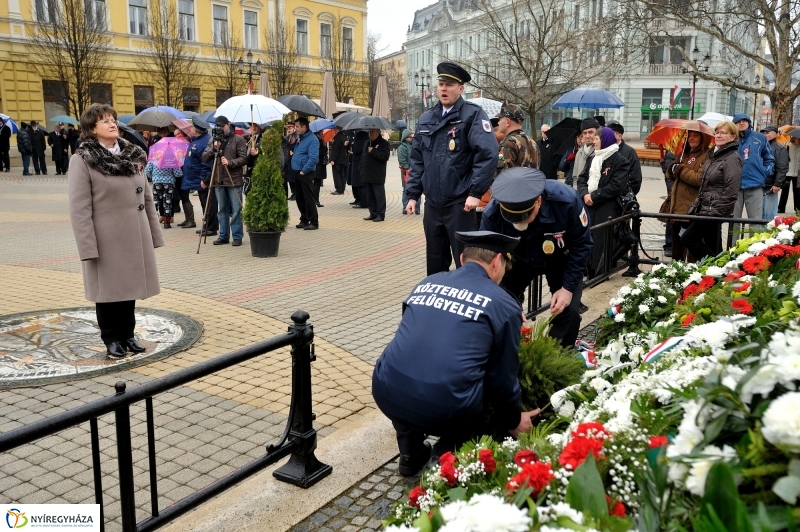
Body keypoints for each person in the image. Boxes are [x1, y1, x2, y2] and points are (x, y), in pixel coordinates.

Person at [372, 230, 540, 475]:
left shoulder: (427, 283)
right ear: (496, 262)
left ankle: (410, 453)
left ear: (462, 259)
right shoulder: (504, 304)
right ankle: (445, 457)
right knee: (477, 382)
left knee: (411, 367)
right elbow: (502, 377)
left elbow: (412, 342)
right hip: (446, 406)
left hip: (385, 391)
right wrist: (513, 420)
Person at [67, 103, 162, 360]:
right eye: (105, 121)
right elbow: (79, 208)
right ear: (91, 128)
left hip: (135, 235)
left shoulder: (133, 156)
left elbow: (148, 197)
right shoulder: (83, 159)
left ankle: (128, 334)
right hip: (106, 238)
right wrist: (87, 246)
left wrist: (154, 233)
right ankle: (111, 337)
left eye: (113, 119)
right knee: (108, 293)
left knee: (128, 288)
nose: (112, 124)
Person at [481, 167, 592, 348]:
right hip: (514, 261)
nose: (519, 223)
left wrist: (567, 288)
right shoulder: (492, 214)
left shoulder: (567, 201)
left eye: (524, 217)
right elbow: (487, 259)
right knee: (498, 310)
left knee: (569, 311)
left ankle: (557, 360)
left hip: (558, 258)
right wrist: (504, 301)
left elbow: (582, 245)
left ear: (538, 201)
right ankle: (512, 356)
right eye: (513, 219)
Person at [405, 62, 498, 274]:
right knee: (435, 264)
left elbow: (487, 154)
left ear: (461, 88)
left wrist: (475, 193)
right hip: (433, 206)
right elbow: (418, 159)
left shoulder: (472, 115)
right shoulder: (427, 118)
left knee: (465, 263)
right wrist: (412, 195)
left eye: (449, 84)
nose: (444, 89)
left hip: (460, 205)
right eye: (441, 84)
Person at [681, 121, 741, 260]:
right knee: (714, 245)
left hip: (713, 210)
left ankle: (715, 268)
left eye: (723, 133)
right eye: (717, 132)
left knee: (688, 238)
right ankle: (717, 274)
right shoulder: (714, 154)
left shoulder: (732, 158)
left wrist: (717, 212)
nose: (719, 135)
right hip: (705, 207)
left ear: (733, 137)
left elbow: (731, 190)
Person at [576, 127, 631, 276]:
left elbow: (616, 186)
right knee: (586, 238)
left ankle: (600, 272)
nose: (593, 141)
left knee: (601, 241)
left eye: (596, 139)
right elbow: (582, 179)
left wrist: (594, 197)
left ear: (605, 140)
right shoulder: (593, 158)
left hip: (606, 208)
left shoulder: (620, 161)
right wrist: (584, 194)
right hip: (588, 206)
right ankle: (587, 269)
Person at [201, 115, 248, 246]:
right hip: (218, 180)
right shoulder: (213, 140)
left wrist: (230, 162)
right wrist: (213, 149)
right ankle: (223, 235)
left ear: (228, 125)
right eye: (218, 126)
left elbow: (244, 158)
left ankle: (237, 236)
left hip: (234, 180)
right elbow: (204, 158)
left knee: (236, 209)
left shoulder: (238, 139)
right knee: (221, 210)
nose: (220, 128)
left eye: (222, 126)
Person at [665, 131, 709, 262]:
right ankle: (676, 274)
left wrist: (680, 169)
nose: (691, 138)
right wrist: (672, 168)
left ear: (703, 138)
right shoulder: (683, 153)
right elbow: (671, 174)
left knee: (691, 249)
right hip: (677, 208)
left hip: (691, 208)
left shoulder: (707, 155)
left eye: (695, 135)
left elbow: (698, 179)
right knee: (676, 249)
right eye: (689, 135)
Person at [731, 113, 774, 228]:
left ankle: (754, 246)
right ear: (733, 124)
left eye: (744, 120)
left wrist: (764, 173)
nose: (741, 123)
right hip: (734, 186)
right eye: (738, 121)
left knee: (755, 223)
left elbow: (769, 159)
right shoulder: (731, 138)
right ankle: (732, 246)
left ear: (749, 123)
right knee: (733, 223)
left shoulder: (759, 138)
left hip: (755, 185)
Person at [181, 117, 215, 233]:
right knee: (203, 203)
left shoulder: (204, 142)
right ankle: (207, 226)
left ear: (197, 129)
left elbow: (206, 162)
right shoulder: (197, 140)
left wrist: (204, 179)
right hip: (196, 179)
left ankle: (211, 228)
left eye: (192, 127)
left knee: (207, 204)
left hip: (202, 179)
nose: (190, 129)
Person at [290, 117, 320, 230]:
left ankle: (314, 221)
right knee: (300, 198)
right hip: (298, 171)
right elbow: (299, 152)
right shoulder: (300, 138)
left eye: (297, 126)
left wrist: (304, 170)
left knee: (308, 198)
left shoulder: (312, 140)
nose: (296, 129)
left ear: (304, 127)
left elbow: (313, 158)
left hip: (305, 172)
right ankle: (304, 218)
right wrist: (293, 144)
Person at [496, 102, 539, 173]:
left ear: (507, 121)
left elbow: (502, 175)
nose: (498, 123)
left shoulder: (509, 143)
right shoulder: (533, 142)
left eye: (500, 119)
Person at [360, 128, 391, 222]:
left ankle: (381, 214)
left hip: (377, 174)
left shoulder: (384, 143)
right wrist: (361, 168)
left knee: (379, 195)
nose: (371, 133)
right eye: (369, 131)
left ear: (378, 132)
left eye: (373, 131)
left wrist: (373, 151)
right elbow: (363, 157)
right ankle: (373, 213)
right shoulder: (367, 143)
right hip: (367, 174)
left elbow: (385, 156)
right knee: (369, 196)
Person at [606, 120, 643, 194]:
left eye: (610, 134)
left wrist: (626, 195)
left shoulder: (629, 152)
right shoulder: (603, 149)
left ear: (619, 136)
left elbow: (636, 179)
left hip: (620, 198)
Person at [760, 125, 789, 220]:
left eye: (767, 133)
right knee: (758, 214)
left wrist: (777, 183)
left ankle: (769, 234)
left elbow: (782, 168)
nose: (764, 135)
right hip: (758, 184)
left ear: (775, 134)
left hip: (770, 185)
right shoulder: (760, 146)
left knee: (769, 214)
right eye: (763, 133)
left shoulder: (780, 149)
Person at [145, 159, 182, 229]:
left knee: (156, 202)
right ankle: (166, 222)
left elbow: (147, 171)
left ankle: (153, 221)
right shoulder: (171, 160)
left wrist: (154, 177)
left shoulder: (154, 159)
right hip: (169, 183)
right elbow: (178, 173)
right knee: (168, 202)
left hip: (156, 182)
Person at [398, 129, 418, 215]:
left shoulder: (415, 146)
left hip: (415, 171)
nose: (412, 138)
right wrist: (407, 168)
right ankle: (405, 207)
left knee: (417, 188)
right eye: (410, 137)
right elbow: (402, 160)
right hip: (406, 171)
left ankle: (416, 208)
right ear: (406, 137)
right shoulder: (402, 148)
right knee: (406, 189)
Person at [348, 129, 370, 208]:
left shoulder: (362, 136)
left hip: (359, 162)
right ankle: (358, 199)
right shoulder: (357, 135)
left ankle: (362, 201)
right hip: (357, 161)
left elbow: (357, 149)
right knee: (356, 182)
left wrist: (353, 145)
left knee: (360, 183)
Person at [573, 118, 599, 182]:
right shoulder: (579, 153)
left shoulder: (600, 151)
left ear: (597, 132)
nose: (587, 136)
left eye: (590, 132)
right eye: (585, 133)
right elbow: (575, 177)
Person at [782, 135, 800, 214]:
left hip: (798, 173)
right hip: (788, 172)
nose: (799, 140)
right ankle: (781, 208)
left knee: (797, 192)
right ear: (794, 138)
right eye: (798, 139)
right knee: (784, 191)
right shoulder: (787, 147)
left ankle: (797, 208)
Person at [244, 122, 263, 196]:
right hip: (250, 169)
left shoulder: (262, 139)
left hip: (258, 169)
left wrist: (256, 153)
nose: (254, 128)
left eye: (256, 126)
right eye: (252, 126)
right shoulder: (252, 138)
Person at [329, 126, 348, 195]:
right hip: (343, 159)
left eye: (335, 129)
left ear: (338, 129)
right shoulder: (344, 136)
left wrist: (333, 159)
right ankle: (342, 188)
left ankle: (338, 189)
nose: (334, 130)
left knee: (336, 174)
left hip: (337, 160)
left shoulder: (338, 138)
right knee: (342, 174)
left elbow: (336, 150)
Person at [282, 122, 298, 200]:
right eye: (287, 128)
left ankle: (296, 193)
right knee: (289, 177)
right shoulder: (287, 137)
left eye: (290, 128)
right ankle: (293, 193)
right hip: (288, 160)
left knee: (294, 177)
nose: (289, 130)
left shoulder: (297, 137)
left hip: (294, 159)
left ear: (294, 128)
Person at [313, 129, 327, 208]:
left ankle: (316, 200)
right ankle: (316, 200)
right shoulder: (317, 140)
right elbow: (318, 152)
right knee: (317, 183)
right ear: (319, 132)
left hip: (319, 164)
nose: (323, 133)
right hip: (318, 165)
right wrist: (325, 148)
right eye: (322, 132)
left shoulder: (319, 140)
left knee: (317, 183)